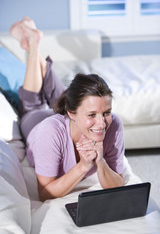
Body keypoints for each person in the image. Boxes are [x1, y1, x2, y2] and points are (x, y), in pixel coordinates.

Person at [10, 17, 124, 201]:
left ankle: (34, 42)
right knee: (32, 103)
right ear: (70, 113)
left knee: (71, 94)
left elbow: (118, 184)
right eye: (93, 115)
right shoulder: (49, 130)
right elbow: (44, 193)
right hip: (37, 121)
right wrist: (84, 166)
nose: (102, 123)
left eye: (106, 112)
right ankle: (33, 44)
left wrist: (101, 162)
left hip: (74, 117)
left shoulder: (114, 124)